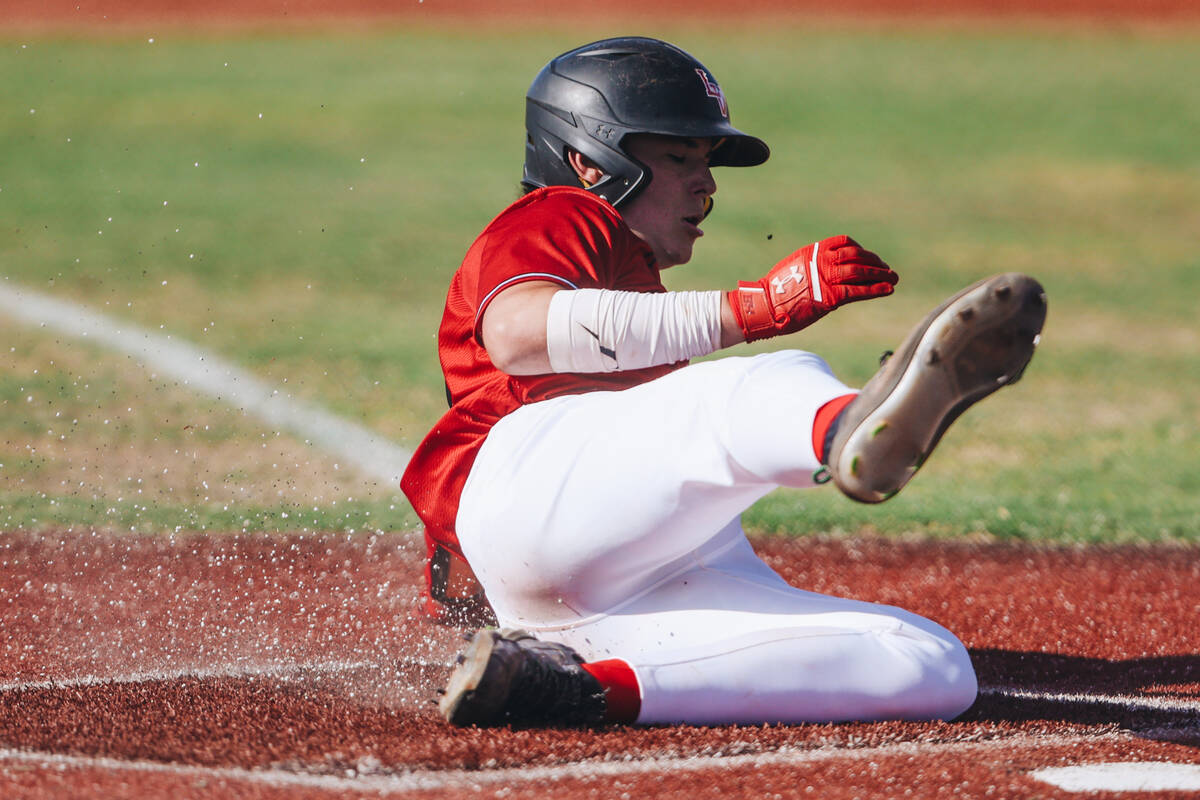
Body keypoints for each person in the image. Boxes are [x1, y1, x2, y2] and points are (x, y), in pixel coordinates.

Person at [400, 37, 1046, 727]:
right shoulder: (561, 213)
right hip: (535, 481)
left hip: (620, 578)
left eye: (705, 163)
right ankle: (843, 431)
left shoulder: (636, 300)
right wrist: (755, 308)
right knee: (768, 379)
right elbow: (516, 331)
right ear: (590, 162)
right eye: (680, 159)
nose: (706, 186)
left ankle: (572, 688)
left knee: (929, 664)